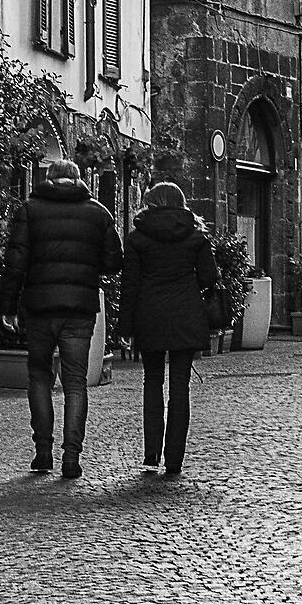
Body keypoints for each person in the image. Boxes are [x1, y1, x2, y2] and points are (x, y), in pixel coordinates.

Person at [0, 157, 124, 479]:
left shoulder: (29, 210)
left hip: (40, 307)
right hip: (80, 307)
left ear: (49, 178)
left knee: (39, 376)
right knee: (75, 382)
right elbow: (113, 261)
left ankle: (42, 452)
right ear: (78, 179)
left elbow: (15, 262)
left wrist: (8, 306)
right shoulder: (98, 213)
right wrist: (86, 265)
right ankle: (71, 458)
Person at [119, 182, 218, 477]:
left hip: (149, 314)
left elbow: (130, 285)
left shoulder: (137, 238)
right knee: (179, 387)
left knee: (152, 383)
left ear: (151, 203)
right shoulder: (195, 235)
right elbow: (210, 276)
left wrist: (124, 327)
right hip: (186, 315)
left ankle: (151, 454)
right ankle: (174, 458)